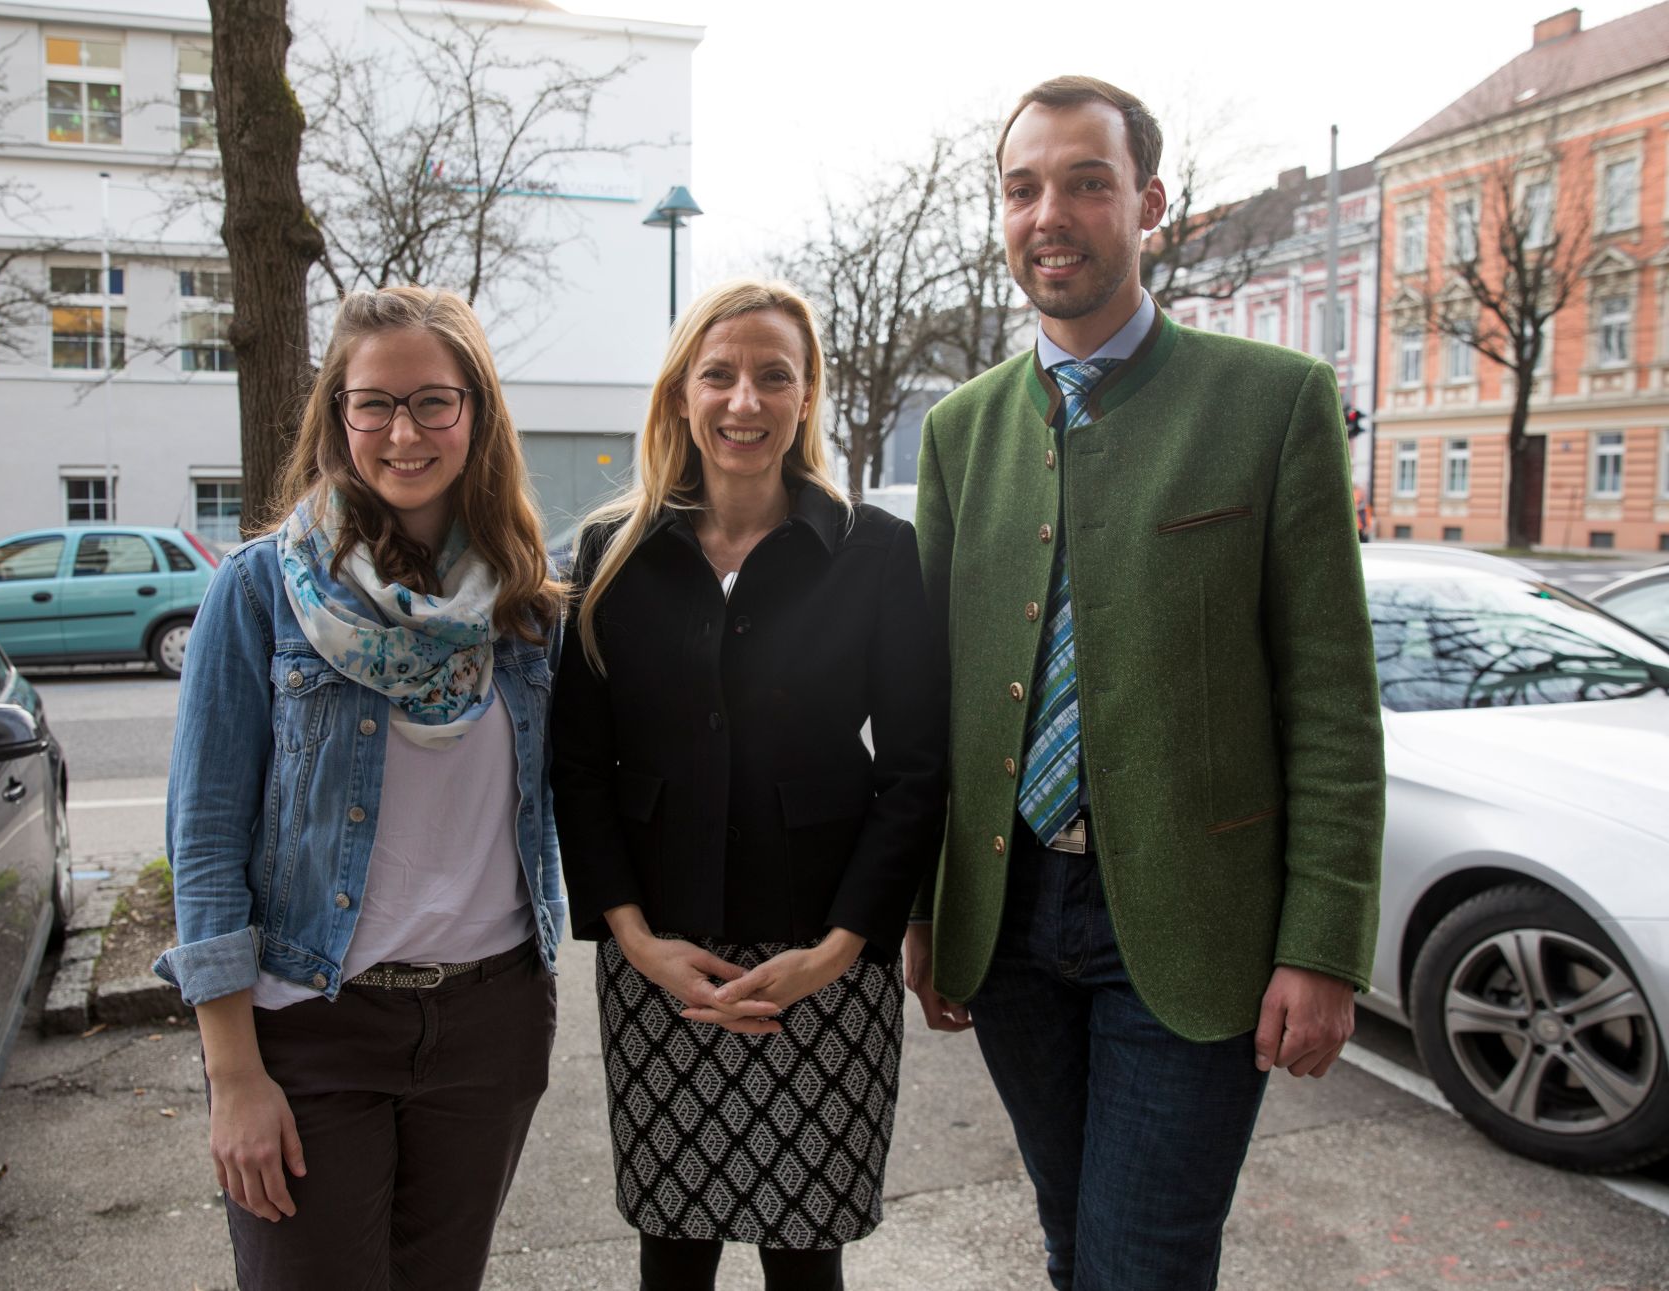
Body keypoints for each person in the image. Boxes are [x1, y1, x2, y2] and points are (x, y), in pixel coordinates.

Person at [904, 76, 1385, 1291]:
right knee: (1072, 1235)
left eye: (1084, 182)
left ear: (1148, 202)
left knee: (1144, 1263)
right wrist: (923, 906)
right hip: (1008, 925)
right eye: (1022, 188)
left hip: (1187, 922)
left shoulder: (1271, 402)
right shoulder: (960, 432)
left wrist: (1322, 944)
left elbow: (1328, 697)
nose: (1047, 213)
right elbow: (928, 700)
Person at [153, 286, 565, 1290]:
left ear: (476, 412)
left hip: (489, 1025)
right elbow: (205, 841)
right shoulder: (258, 591)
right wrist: (233, 1074)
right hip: (312, 1026)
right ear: (337, 414)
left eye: (432, 399)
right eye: (371, 401)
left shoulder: (526, 608)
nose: (402, 430)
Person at [551, 278, 947, 1291]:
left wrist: (843, 947)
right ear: (680, 395)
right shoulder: (612, 554)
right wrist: (633, 938)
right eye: (718, 374)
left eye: (774, 376)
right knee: (671, 1251)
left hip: (822, 952)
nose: (744, 400)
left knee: (802, 1254)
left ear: (806, 394)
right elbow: (578, 765)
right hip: (659, 955)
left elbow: (913, 769)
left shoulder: (873, 552)